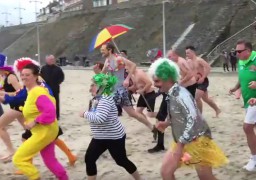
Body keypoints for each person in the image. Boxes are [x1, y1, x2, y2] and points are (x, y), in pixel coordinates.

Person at [148, 58, 228, 180]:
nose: (154, 85)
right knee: (166, 172)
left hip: (198, 139)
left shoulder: (181, 95)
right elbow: (178, 115)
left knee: (206, 177)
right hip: (181, 139)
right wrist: (167, 123)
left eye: (157, 81)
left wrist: (180, 145)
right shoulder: (171, 93)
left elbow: (194, 119)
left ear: (168, 78)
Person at [8, 58, 76, 175]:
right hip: (46, 129)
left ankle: (33, 173)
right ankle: (65, 171)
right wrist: (18, 105)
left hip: (43, 129)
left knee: (18, 158)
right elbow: (25, 99)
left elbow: (49, 110)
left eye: (26, 74)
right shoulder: (32, 88)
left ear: (35, 76)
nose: (23, 77)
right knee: (50, 160)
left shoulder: (37, 90)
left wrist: (34, 121)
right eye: (22, 74)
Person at [80, 73, 141, 180]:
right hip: (99, 137)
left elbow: (100, 118)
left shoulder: (105, 99)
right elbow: (95, 115)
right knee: (89, 159)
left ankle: (139, 179)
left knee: (121, 160)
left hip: (113, 137)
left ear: (101, 87)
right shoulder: (96, 99)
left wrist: (84, 114)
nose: (90, 88)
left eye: (93, 85)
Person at [100, 43, 157, 138]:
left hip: (120, 91)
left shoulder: (119, 59)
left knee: (129, 113)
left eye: (103, 49)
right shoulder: (107, 61)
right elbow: (103, 74)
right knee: (132, 113)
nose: (101, 51)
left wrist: (127, 79)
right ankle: (152, 127)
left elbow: (133, 65)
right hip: (113, 90)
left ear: (109, 50)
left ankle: (107, 133)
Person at [229, 40, 256, 171]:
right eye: (236, 51)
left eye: (239, 51)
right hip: (248, 101)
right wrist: (235, 88)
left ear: (248, 51)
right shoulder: (241, 61)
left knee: (247, 127)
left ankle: (254, 159)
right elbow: (241, 77)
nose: (236, 54)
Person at [185, 46, 221, 118]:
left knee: (196, 98)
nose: (187, 55)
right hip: (195, 82)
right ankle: (217, 109)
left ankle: (199, 116)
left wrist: (203, 77)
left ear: (193, 52)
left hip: (203, 81)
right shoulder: (188, 61)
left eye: (188, 53)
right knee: (206, 99)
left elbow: (208, 67)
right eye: (186, 53)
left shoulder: (199, 60)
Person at [0, 54, 22, 161]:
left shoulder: (11, 77)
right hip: (16, 106)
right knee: (30, 129)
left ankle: (11, 150)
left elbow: (20, 92)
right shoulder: (5, 77)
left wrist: (4, 93)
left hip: (18, 106)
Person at [41, 55, 64, 120]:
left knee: (56, 102)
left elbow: (62, 77)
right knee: (46, 102)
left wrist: (58, 82)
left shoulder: (58, 68)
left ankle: (56, 116)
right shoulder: (43, 68)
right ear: (46, 60)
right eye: (50, 59)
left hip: (55, 88)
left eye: (52, 59)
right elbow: (40, 77)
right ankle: (47, 114)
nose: (51, 61)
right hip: (45, 88)